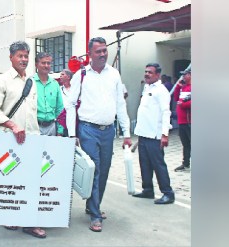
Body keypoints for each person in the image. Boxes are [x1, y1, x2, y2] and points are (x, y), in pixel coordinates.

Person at [66, 37, 132, 232]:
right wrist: (72, 134)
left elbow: (120, 103)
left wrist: (127, 132)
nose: (103, 54)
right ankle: (95, 214)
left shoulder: (114, 74)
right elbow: (70, 103)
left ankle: (92, 204)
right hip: (87, 130)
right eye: (98, 51)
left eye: (104, 50)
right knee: (93, 169)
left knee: (103, 170)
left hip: (108, 131)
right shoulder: (82, 74)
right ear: (90, 54)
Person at [0, 41, 46, 238]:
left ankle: (30, 222)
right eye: (20, 56)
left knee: (32, 181)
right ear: (11, 57)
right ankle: (9, 215)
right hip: (9, 140)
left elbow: (32, 112)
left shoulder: (31, 81)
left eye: (26, 56)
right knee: (10, 180)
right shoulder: (2, 81)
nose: (24, 59)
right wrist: (12, 125)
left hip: (32, 139)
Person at [132, 63, 175, 204]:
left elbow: (165, 112)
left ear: (157, 75)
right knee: (144, 163)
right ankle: (148, 190)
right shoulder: (147, 87)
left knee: (158, 164)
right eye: (146, 71)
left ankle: (168, 193)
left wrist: (165, 134)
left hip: (155, 135)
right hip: (144, 134)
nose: (147, 74)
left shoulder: (161, 91)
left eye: (150, 72)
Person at [33, 52, 64, 136]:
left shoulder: (55, 84)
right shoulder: (30, 83)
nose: (46, 65)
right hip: (34, 128)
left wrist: (60, 131)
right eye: (43, 63)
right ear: (36, 64)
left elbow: (60, 109)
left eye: (48, 63)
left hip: (51, 128)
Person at [173, 67, 191, 171]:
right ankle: (185, 163)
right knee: (185, 144)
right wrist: (178, 87)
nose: (183, 76)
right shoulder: (183, 87)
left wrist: (183, 105)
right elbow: (176, 98)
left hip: (190, 121)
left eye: (185, 74)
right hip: (182, 121)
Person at [59, 69, 73, 137]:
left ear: (68, 77)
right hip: (63, 119)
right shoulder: (59, 89)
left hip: (73, 118)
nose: (60, 76)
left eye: (62, 74)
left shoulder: (75, 89)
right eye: (60, 75)